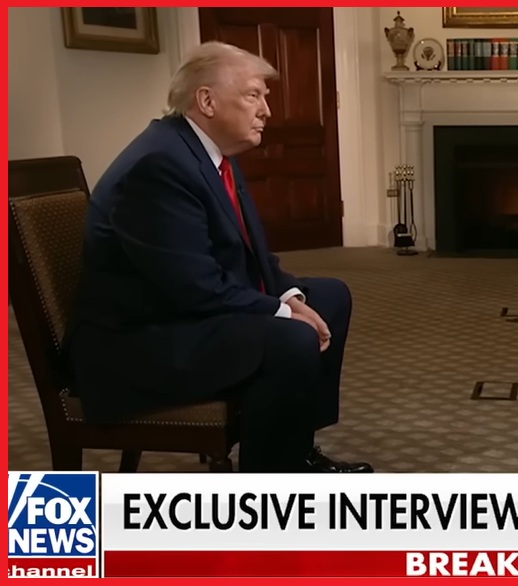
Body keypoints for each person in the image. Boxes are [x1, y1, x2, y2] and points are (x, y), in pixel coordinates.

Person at [67, 41, 372, 473]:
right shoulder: (158, 166)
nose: (266, 110)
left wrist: (289, 296)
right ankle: (270, 481)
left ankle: (294, 450)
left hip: (181, 313)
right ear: (207, 101)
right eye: (253, 95)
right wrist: (281, 313)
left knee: (329, 297)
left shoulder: (204, 151)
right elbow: (193, 287)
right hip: (139, 344)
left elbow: (247, 252)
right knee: (290, 338)